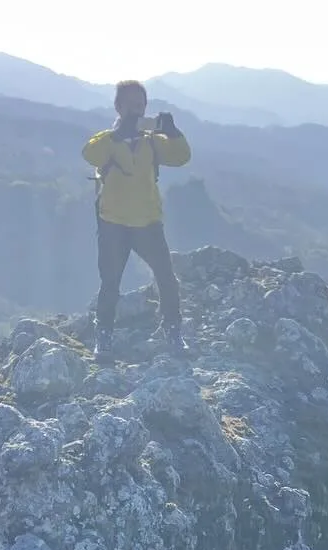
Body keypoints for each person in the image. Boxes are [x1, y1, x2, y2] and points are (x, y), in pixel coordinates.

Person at [83, 80, 192, 359]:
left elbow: (182, 157)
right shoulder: (107, 140)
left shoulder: (153, 142)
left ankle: (173, 331)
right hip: (113, 223)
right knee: (110, 283)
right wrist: (117, 135)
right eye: (130, 105)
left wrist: (173, 132)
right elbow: (89, 154)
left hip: (147, 222)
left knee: (166, 278)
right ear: (118, 107)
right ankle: (104, 335)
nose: (136, 110)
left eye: (141, 105)